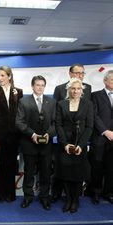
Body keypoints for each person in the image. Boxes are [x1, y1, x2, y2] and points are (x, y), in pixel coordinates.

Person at [52, 63, 92, 202]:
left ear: (82, 90)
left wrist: (82, 144)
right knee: (64, 173)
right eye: (73, 88)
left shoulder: (88, 103)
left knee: (78, 174)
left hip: (80, 143)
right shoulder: (61, 100)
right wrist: (64, 144)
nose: (76, 90)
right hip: (65, 143)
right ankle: (67, 199)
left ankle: (75, 201)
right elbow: (58, 123)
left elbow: (89, 125)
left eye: (78, 88)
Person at [16, 75, 56, 210]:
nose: (40, 87)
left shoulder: (52, 102)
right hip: (29, 143)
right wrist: (32, 134)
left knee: (45, 172)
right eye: (37, 85)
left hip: (46, 145)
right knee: (28, 172)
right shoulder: (23, 101)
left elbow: (55, 123)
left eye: (42, 85)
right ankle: (28, 197)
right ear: (32, 86)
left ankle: (45, 197)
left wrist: (48, 134)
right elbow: (19, 122)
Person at [0, 66, 23, 202]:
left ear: (9, 76)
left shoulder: (18, 92)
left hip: (14, 135)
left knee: (11, 165)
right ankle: (0, 196)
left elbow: (20, 114)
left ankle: (11, 195)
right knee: (0, 165)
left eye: (2, 75)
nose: (0, 78)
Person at [90, 70, 113, 205]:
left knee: (111, 168)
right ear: (105, 81)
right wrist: (105, 131)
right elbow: (94, 116)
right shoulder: (96, 95)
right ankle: (96, 193)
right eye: (112, 80)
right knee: (97, 167)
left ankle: (109, 192)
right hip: (100, 137)